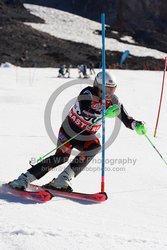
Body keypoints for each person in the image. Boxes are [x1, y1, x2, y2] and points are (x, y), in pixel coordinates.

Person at [9, 71, 146, 191]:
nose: (109, 93)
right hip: (69, 131)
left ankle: (62, 180)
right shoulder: (87, 93)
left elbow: (127, 119)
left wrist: (136, 125)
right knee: (61, 157)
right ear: (97, 86)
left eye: (112, 89)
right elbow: (86, 109)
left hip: (86, 135)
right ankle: (23, 179)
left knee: (95, 146)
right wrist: (104, 112)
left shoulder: (114, 102)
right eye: (106, 89)